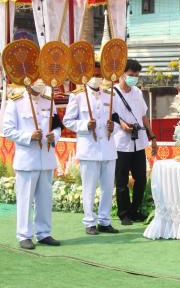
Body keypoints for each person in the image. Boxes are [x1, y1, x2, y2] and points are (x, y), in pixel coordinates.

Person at [3, 80, 62, 249]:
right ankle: (24, 235)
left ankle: (44, 233)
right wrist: (29, 136)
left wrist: (54, 137)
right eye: (37, 78)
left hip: (47, 157)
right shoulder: (16, 101)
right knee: (25, 199)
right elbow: (7, 130)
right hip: (27, 159)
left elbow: (57, 126)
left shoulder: (49, 101)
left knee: (45, 199)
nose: (41, 82)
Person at [63, 62, 120, 235]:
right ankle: (89, 222)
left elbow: (116, 120)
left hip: (108, 148)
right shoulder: (78, 96)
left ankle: (104, 220)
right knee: (89, 187)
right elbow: (68, 120)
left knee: (108, 187)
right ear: (86, 76)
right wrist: (85, 125)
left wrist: (113, 127)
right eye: (93, 74)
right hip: (89, 148)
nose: (97, 78)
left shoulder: (109, 96)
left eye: (99, 74)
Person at [113, 59, 158, 226]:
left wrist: (152, 136)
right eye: (131, 75)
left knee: (141, 179)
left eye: (136, 76)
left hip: (139, 142)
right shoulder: (111, 93)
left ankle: (135, 210)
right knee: (122, 180)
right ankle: (123, 213)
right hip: (121, 143)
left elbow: (144, 116)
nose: (134, 78)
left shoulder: (137, 93)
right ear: (122, 74)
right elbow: (110, 115)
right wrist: (122, 125)